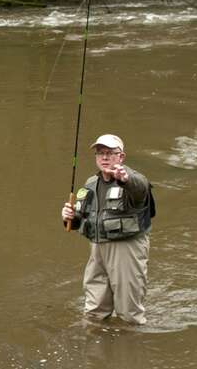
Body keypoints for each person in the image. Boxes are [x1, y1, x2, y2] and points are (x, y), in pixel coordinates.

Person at [61, 134, 153, 325]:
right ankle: (95, 346)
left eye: (110, 153)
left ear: (121, 157)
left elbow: (140, 189)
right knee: (94, 310)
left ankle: (130, 347)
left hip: (126, 248)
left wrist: (125, 179)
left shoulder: (133, 179)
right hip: (97, 249)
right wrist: (69, 217)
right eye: (100, 153)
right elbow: (80, 218)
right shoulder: (90, 184)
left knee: (129, 312)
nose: (104, 157)